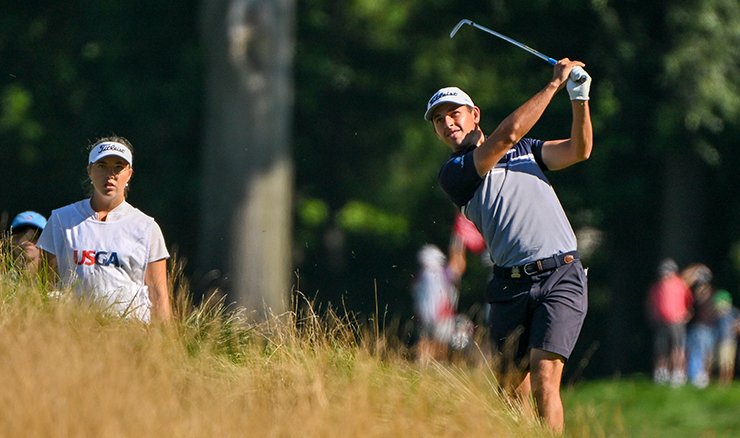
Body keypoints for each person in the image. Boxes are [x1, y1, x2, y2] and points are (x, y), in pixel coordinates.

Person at [427, 58, 592, 434]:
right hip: (509, 287)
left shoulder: (529, 152)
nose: (448, 124)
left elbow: (579, 150)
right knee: (509, 394)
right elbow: (506, 136)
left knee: (544, 379)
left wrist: (578, 98)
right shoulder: (455, 173)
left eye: (454, 114)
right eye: (440, 120)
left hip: (560, 274)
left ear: (474, 115)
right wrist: (553, 86)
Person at [36, 136, 171, 322]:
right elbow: (43, 288)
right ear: (89, 171)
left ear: (129, 174)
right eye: (102, 166)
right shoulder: (62, 220)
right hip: (72, 332)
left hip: (129, 336)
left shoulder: (146, 227)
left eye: (118, 167)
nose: (110, 175)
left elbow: (159, 298)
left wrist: (166, 346)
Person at [645, 259, 693, 386]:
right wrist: (652, 316)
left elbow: (689, 301)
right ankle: (661, 372)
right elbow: (650, 304)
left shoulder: (681, 284)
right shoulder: (656, 287)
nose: (665, 275)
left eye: (668, 272)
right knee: (661, 349)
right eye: (663, 273)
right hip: (660, 321)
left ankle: (677, 372)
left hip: (677, 321)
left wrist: (687, 314)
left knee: (677, 348)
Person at [682, 264, 716, 388]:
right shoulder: (694, 294)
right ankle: (694, 376)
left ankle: (704, 376)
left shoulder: (712, 295)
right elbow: (683, 282)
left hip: (707, 329)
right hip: (696, 328)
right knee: (692, 352)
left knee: (706, 353)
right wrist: (696, 269)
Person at [713, 290, 740, 386]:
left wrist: (735, 329)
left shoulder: (734, 311)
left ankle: (727, 381)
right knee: (721, 362)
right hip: (720, 340)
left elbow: (738, 323)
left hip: (730, 341)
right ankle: (722, 380)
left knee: (728, 362)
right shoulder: (717, 314)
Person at [8, 211, 48, 276]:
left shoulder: (57, 284)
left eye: (36, 236)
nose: (28, 242)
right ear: (12, 241)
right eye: (20, 235)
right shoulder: (2, 283)